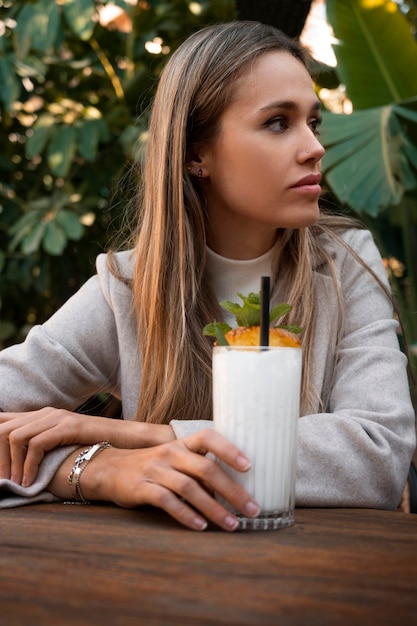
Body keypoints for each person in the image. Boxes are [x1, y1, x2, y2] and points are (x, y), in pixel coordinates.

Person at [0, 21, 415, 530]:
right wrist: (98, 470)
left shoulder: (345, 263)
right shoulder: (129, 287)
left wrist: (152, 437)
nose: (314, 147)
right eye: (279, 123)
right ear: (198, 154)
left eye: (314, 122)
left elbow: (378, 456)